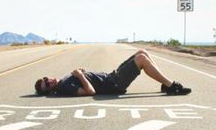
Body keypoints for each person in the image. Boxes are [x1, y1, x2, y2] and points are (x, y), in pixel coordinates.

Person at [35, 49, 191, 96]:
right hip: (113, 83)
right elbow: (90, 92)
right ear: (49, 90)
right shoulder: (64, 88)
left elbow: (86, 81)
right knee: (142, 59)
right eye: (47, 85)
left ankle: (164, 84)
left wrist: (82, 73)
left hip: (111, 76)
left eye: (45, 79)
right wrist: (80, 75)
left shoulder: (63, 81)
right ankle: (171, 86)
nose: (49, 81)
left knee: (141, 52)